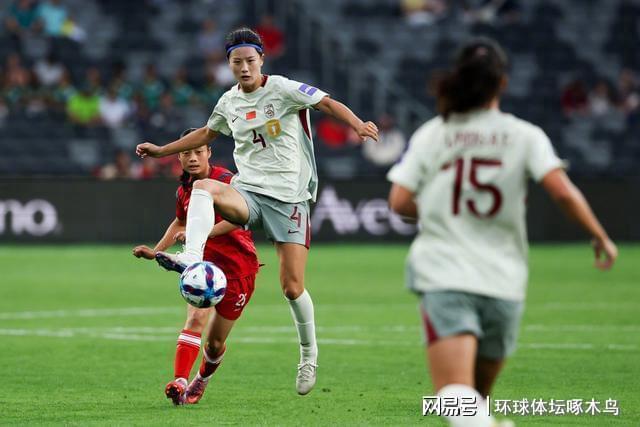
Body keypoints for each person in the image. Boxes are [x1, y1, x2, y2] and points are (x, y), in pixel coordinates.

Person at [387, 38, 617, 427]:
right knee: (476, 402)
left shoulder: (434, 133)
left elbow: (399, 201)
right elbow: (562, 191)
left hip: (444, 273)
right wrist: (599, 234)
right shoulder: (524, 135)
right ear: (503, 83)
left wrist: (441, 212)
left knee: (456, 400)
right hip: (504, 280)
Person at [136, 27, 378, 395]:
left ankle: (308, 355)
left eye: (250, 60)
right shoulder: (228, 102)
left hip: (289, 199)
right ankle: (192, 258)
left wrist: (357, 124)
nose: (244, 68)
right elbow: (206, 134)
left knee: (292, 287)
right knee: (202, 187)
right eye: (237, 62)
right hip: (248, 192)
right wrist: (161, 151)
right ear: (229, 64)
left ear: (262, 59)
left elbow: (326, 103)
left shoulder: (283, 89)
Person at [133, 128, 260, 405]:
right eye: (186, 153)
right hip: (204, 267)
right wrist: (156, 252)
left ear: (208, 152)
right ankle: (180, 382)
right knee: (194, 319)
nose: (192, 158)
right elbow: (180, 222)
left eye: (198, 152)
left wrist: (204, 233)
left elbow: (242, 219)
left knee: (215, 344)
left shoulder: (226, 181)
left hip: (238, 269)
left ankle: (201, 379)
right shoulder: (184, 191)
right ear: (179, 157)